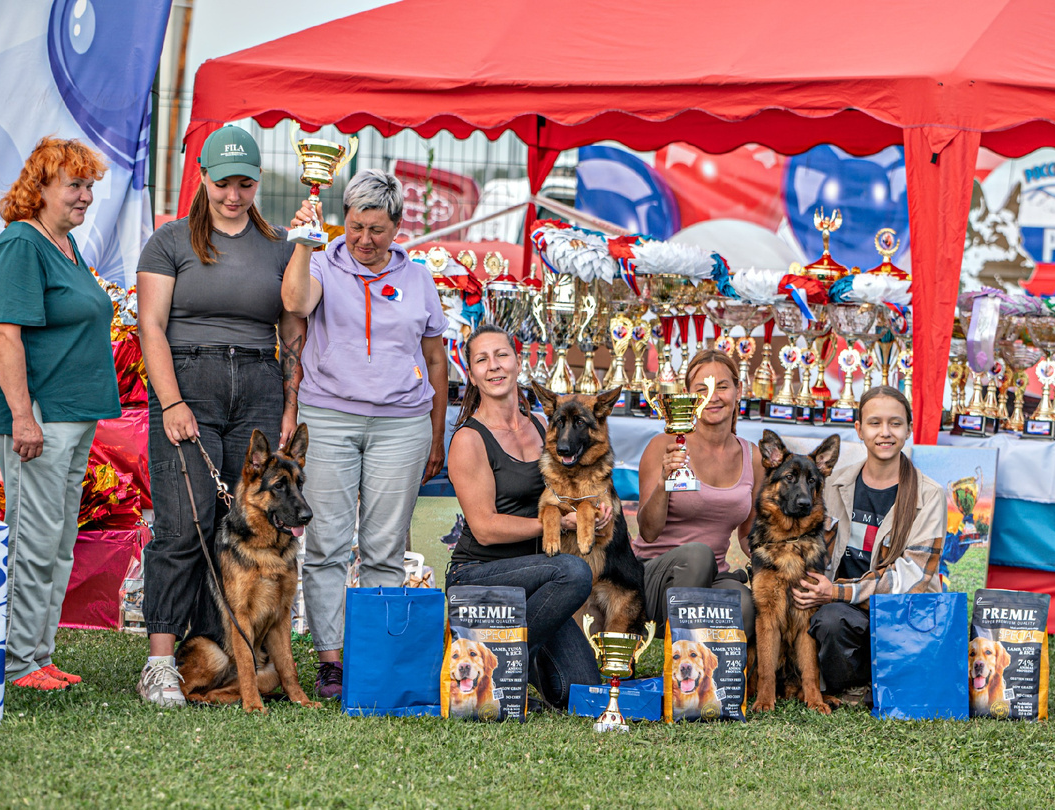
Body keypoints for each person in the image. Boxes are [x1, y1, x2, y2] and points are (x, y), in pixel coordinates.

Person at [135, 126, 303, 706]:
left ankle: (227, 655)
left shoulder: (282, 245)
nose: (233, 194)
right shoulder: (170, 240)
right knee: (183, 528)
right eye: (222, 182)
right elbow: (150, 326)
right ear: (202, 177)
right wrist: (172, 401)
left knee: (239, 530)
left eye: (245, 183)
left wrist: (289, 399)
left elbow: (291, 329)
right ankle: (160, 663)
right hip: (190, 384)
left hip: (258, 384)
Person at [282, 169, 448, 699]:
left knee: (385, 546)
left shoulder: (419, 278)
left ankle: (374, 652)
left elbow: (435, 357)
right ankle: (331, 659)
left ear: (398, 227)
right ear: (343, 222)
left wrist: (438, 432)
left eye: (377, 229)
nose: (364, 240)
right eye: (355, 226)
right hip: (328, 416)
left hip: (403, 423)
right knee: (327, 542)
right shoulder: (324, 265)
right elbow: (294, 303)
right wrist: (305, 246)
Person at [0, 136, 119, 691]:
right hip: (37, 419)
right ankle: (18, 665)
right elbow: (3, 335)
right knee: (35, 541)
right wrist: (22, 418)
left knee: (57, 542)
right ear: (39, 189)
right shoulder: (21, 244)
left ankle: (38, 655)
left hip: (70, 416)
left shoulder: (63, 244)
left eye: (89, 186)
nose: (85, 196)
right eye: (74, 185)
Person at [445, 324, 603, 709]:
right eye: (482, 360)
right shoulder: (469, 438)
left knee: (579, 692)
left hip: (536, 582)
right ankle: (489, 656)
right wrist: (554, 523)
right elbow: (483, 529)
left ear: (519, 361)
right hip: (478, 575)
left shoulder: (540, 426)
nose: (494, 366)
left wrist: (595, 504)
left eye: (501, 355)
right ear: (471, 373)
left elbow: (568, 487)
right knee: (574, 572)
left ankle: (510, 657)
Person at [793, 385, 945, 701]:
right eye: (874, 423)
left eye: (895, 423)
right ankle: (851, 684)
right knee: (831, 620)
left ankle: (881, 679)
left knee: (835, 612)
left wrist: (835, 591)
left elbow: (912, 578)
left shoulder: (929, 495)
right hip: (844, 614)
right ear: (859, 429)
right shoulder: (834, 485)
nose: (885, 432)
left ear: (909, 429)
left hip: (901, 615)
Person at [635, 349, 761, 640]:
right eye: (702, 389)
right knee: (698, 556)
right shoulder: (663, 445)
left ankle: (704, 671)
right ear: (688, 396)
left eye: (723, 387)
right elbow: (648, 531)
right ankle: (674, 655)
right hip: (651, 578)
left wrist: (775, 559)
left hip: (712, 578)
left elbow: (748, 534)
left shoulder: (752, 456)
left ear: (739, 390)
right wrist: (665, 482)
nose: (713, 396)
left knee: (742, 604)